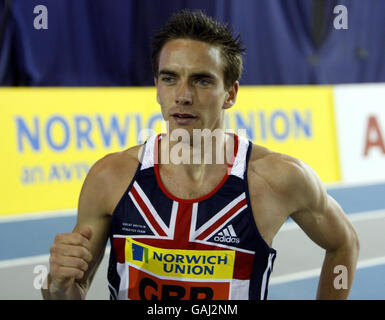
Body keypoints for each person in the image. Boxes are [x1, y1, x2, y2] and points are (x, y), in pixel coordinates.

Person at [42, 9, 359, 300]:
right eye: (170, 78)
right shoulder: (110, 177)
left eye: (202, 80)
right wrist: (57, 286)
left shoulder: (278, 178)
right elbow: (72, 291)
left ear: (230, 94)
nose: (182, 96)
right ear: (156, 88)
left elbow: (345, 243)